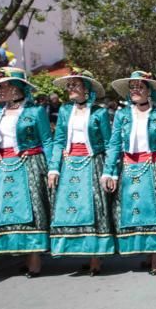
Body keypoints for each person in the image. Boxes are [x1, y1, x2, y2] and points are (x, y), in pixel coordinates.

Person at [101, 71, 156, 275]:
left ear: (149, 92)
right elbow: (114, 144)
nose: (135, 91)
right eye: (132, 87)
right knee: (136, 211)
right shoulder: (122, 115)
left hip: (155, 167)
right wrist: (108, 171)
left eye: (140, 87)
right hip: (130, 168)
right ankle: (145, 251)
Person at [0, 67, 53, 277]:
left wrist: (51, 169)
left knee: (31, 210)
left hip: (28, 164)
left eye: (1, 86)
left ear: (15, 88)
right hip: (3, 166)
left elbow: (47, 140)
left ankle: (34, 259)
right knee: (8, 212)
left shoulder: (35, 111)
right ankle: (23, 254)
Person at [47, 70, 114, 273]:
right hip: (69, 165)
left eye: (75, 85)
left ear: (87, 89)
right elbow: (59, 140)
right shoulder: (66, 111)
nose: (71, 89)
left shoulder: (99, 113)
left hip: (92, 163)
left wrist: (108, 171)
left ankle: (96, 257)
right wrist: (53, 168)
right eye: (69, 85)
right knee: (71, 209)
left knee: (93, 209)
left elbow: (109, 143)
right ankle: (82, 251)